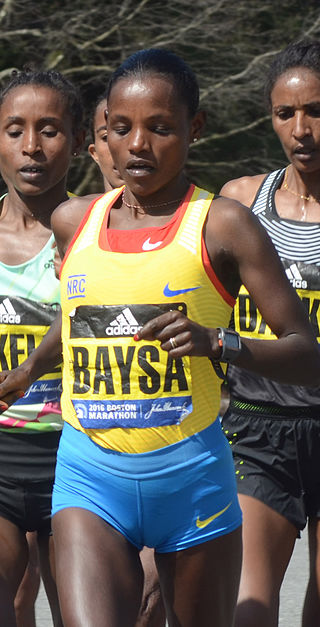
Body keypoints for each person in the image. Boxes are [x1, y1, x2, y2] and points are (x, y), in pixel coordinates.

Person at [0, 48, 319, 627]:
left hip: (192, 479)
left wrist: (220, 343)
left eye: (160, 128)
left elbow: (307, 354)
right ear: (102, 137)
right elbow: (79, 321)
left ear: (194, 129)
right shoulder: (74, 221)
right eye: (121, 129)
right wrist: (25, 373)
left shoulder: (224, 223)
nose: (138, 145)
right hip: (89, 477)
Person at [220, 39, 320, 627]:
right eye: (286, 114)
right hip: (259, 428)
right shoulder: (241, 200)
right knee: (249, 606)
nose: (302, 129)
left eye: (316, 111)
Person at [0, 67, 84, 627]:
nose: (31, 147)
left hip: (83, 456)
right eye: (14, 129)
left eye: (50, 129)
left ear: (79, 141)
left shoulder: (107, 234)